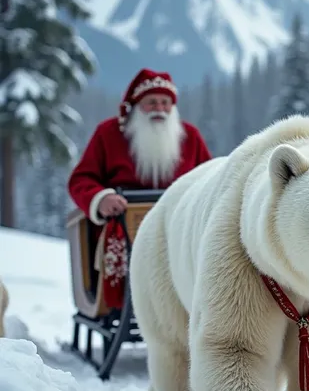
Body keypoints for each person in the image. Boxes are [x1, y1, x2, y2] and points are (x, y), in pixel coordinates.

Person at [68, 68, 212, 307]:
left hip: (180, 232)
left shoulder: (191, 137)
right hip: (122, 230)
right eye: (151, 102)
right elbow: (80, 179)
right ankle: (118, 305)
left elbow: (211, 179)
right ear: (135, 106)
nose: (159, 109)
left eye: (166, 103)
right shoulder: (108, 134)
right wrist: (101, 198)